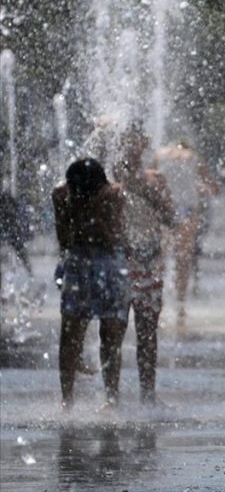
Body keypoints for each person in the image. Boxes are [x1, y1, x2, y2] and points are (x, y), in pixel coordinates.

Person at [52, 158, 128, 411]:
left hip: (109, 262)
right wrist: (71, 211)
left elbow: (113, 238)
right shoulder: (61, 194)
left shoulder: (113, 194)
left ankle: (111, 399)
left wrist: (95, 211)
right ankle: (67, 400)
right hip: (78, 261)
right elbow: (64, 240)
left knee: (111, 333)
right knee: (70, 330)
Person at [114, 127, 175, 405]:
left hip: (149, 263)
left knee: (147, 330)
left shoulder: (156, 180)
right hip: (119, 263)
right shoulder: (109, 181)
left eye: (136, 142)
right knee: (113, 330)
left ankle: (147, 394)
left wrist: (149, 192)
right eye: (126, 142)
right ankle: (111, 397)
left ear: (145, 145)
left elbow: (171, 218)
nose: (131, 148)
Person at [154, 141, 218, 325]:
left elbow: (149, 179)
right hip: (188, 210)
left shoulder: (161, 155)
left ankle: (158, 299)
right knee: (183, 258)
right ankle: (181, 304)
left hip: (166, 209)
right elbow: (213, 188)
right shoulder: (193, 157)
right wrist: (203, 189)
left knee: (161, 257)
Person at [0, 189, 33, 284]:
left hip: (10, 229)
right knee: (20, 249)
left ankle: (29, 271)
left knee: (19, 249)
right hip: (11, 229)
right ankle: (29, 271)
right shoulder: (8, 202)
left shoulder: (6, 202)